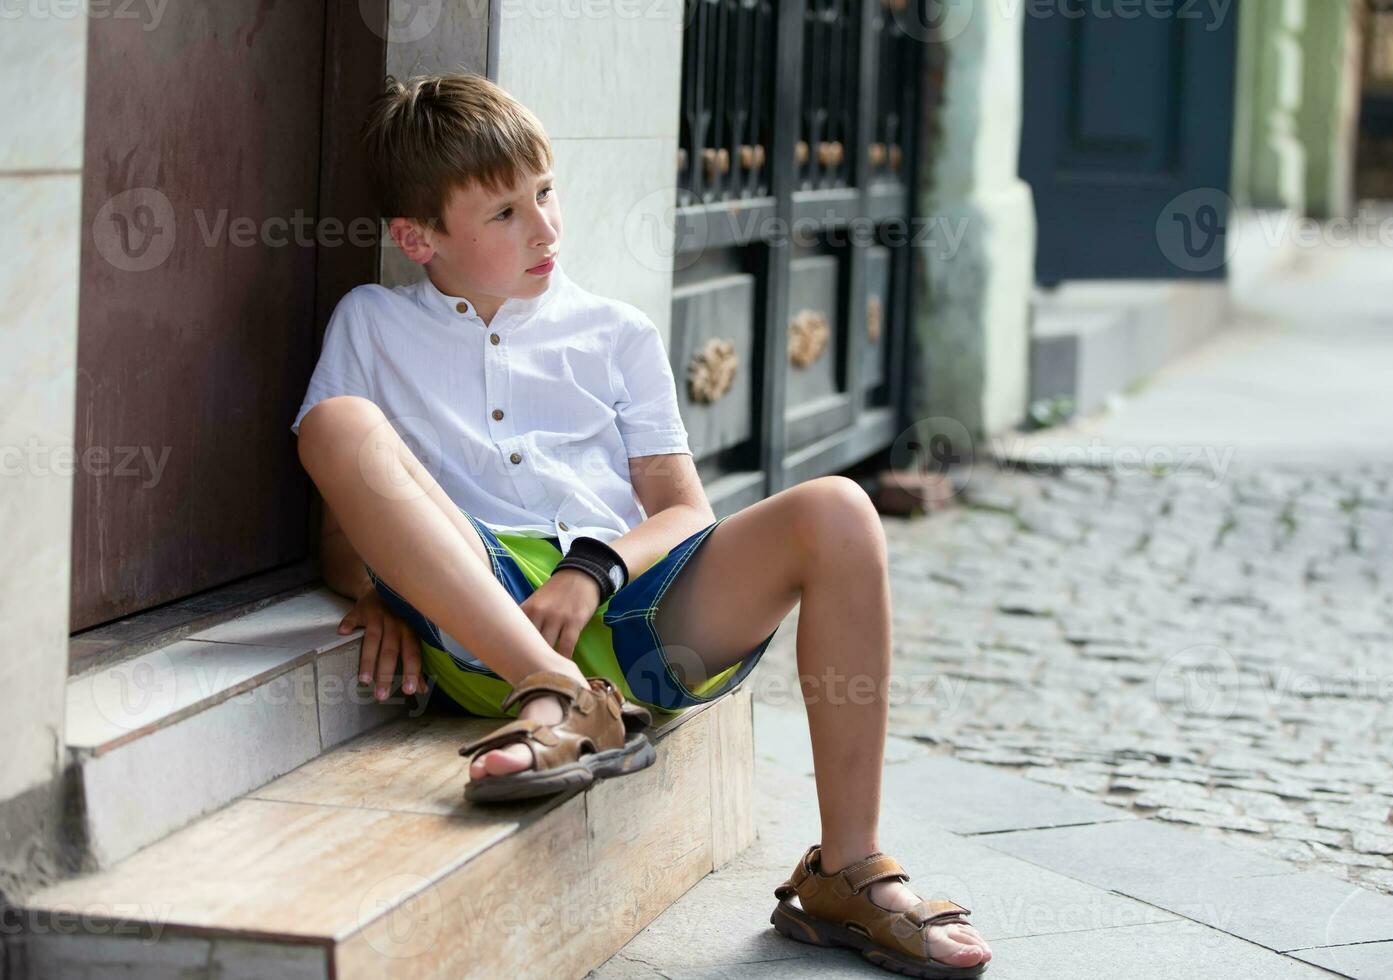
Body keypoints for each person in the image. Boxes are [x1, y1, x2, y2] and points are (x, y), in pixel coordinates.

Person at [291, 72, 990, 977]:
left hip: (634, 612)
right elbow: (347, 511)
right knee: (338, 423)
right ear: (418, 238)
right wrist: (380, 597)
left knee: (840, 509)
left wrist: (594, 568)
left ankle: (845, 871)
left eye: (546, 193)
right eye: (505, 213)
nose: (544, 226)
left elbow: (683, 509)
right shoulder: (372, 324)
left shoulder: (612, 331)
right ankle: (550, 694)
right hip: (489, 615)